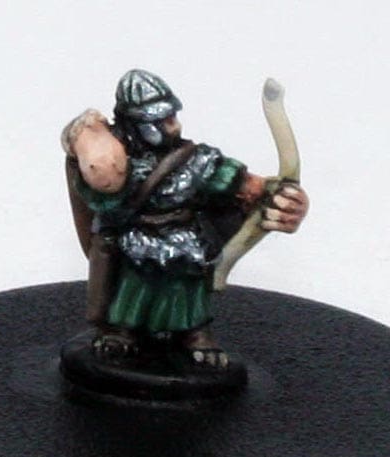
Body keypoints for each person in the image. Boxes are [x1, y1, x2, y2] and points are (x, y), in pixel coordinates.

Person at [63, 69, 308, 368]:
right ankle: (121, 333)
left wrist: (282, 197)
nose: (173, 126)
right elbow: (100, 193)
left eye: (172, 117)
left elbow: (251, 188)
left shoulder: (197, 161)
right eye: (161, 120)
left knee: (185, 286)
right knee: (134, 285)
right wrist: (89, 142)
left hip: (184, 239)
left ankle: (195, 335)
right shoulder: (119, 166)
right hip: (137, 242)